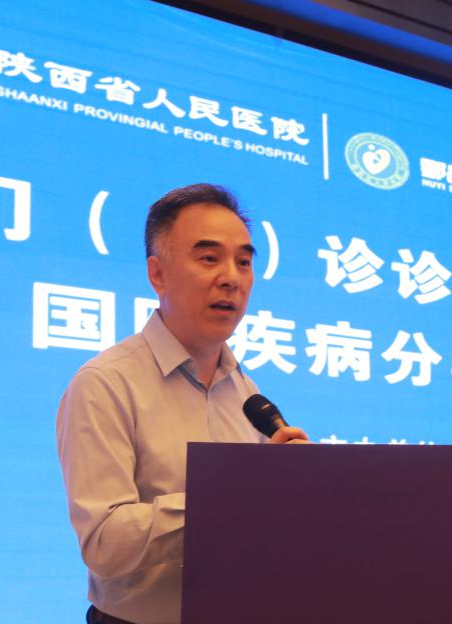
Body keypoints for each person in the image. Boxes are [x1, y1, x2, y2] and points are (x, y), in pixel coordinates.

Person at [56, 183, 308, 624]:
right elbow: (104, 544)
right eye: (209, 258)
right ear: (158, 274)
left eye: (244, 262)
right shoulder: (106, 383)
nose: (231, 278)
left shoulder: (247, 393)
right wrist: (230, 498)